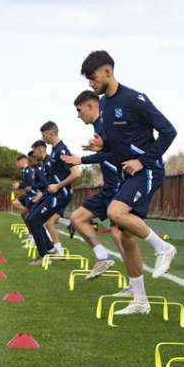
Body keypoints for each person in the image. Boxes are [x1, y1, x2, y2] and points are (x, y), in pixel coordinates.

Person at [81, 50, 178, 316]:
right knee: (126, 237)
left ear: (108, 72)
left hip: (147, 171)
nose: (91, 84)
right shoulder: (107, 107)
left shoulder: (134, 99)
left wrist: (143, 161)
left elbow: (169, 132)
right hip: (129, 175)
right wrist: (102, 145)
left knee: (115, 212)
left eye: (92, 78)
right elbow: (116, 147)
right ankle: (140, 300)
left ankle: (164, 247)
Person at [60, 91, 125, 279]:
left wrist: (81, 159)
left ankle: (137, 287)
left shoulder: (106, 123)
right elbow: (107, 151)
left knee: (118, 236)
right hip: (108, 188)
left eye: (79, 110)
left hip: (119, 187)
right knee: (77, 218)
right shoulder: (98, 125)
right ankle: (102, 257)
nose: (78, 115)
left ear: (90, 106)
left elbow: (115, 154)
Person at [25, 123, 80, 265]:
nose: (43, 138)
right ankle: (48, 248)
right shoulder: (55, 150)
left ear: (50, 134)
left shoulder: (61, 150)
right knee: (31, 218)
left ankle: (44, 256)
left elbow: (76, 173)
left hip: (60, 195)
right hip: (52, 194)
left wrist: (58, 186)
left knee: (35, 220)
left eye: (44, 136)